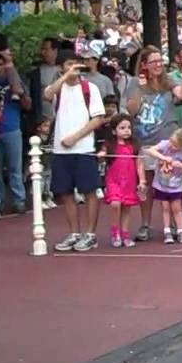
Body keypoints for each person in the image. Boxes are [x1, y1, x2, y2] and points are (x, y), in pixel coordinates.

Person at [123, 46, 182, 243]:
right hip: (145, 141)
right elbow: (131, 110)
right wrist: (141, 89)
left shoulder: (168, 80)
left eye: (160, 61)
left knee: (171, 182)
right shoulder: (135, 82)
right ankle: (145, 224)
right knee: (147, 183)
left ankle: (175, 224)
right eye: (154, 61)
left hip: (167, 140)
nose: (158, 65)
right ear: (144, 64)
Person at [46, 51, 107, 252]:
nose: (74, 67)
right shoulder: (58, 88)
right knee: (65, 192)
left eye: (76, 63)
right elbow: (47, 95)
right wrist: (65, 77)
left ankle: (90, 234)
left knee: (89, 191)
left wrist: (76, 137)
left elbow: (98, 118)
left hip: (84, 148)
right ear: (61, 67)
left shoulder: (90, 88)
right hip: (60, 150)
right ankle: (74, 233)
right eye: (69, 64)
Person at [0, 51, 29, 214]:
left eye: (0, 65)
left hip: (12, 128)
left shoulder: (14, 81)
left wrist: (19, 91)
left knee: (14, 168)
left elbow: (27, 104)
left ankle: (19, 200)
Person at [97, 114, 146, 248]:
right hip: (114, 180)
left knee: (126, 208)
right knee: (115, 204)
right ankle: (115, 232)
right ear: (114, 131)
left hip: (129, 182)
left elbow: (139, 164)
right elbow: (102, 157)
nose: (126, 131)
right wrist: (101, 156)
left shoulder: (134, 146)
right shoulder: (109, 145)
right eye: (122, 128)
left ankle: (125, 233)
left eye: (129, 128)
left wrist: (142, 181)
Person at [144, 129, 182, 244]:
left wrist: (180, 165)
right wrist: (163, 158)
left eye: (175, 145)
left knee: (177, 208)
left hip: (176, 186)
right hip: (162, 185)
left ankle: (180, 231)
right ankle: (167, 232)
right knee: (165, 208)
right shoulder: (165, 144)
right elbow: (150, 150)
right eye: (171, 141)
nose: (171, 145)